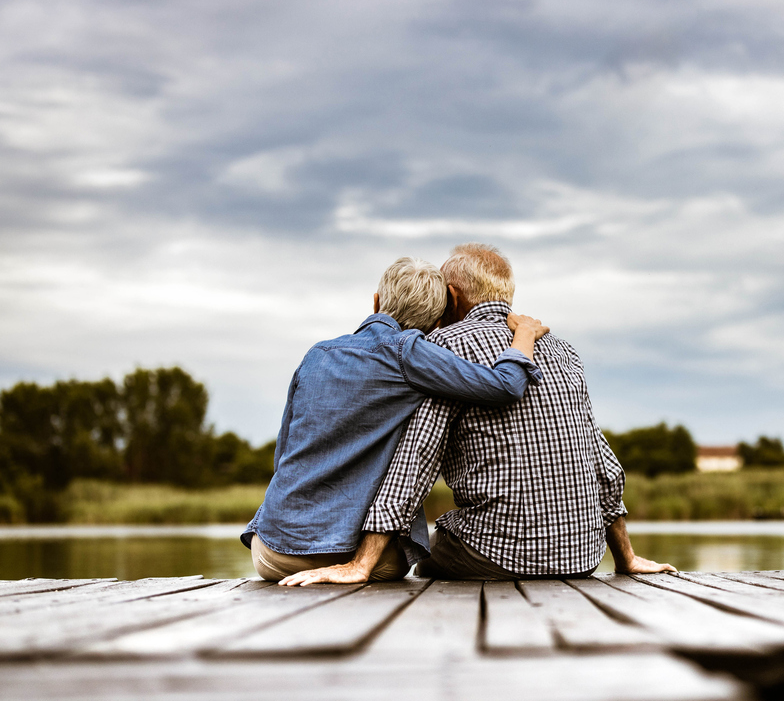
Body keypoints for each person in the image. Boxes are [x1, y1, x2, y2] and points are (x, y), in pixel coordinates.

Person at [280, 243, 673, 585]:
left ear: (450, 297)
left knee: (421, 553)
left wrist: (361, 564)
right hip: (581, 558)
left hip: (495, 553)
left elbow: (415, 461)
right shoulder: (561, 350)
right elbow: (601, 460)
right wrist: (626, 558)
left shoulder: (442, 347)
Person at [242, 256, 549, 582]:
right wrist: (525, 335)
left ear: (376, 302)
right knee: (413, 558)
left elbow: (283, 457)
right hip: (356, 555)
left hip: (273, 553)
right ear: (436, 324)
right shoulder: (412, 353)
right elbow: (506, 385)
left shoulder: (316, 354)